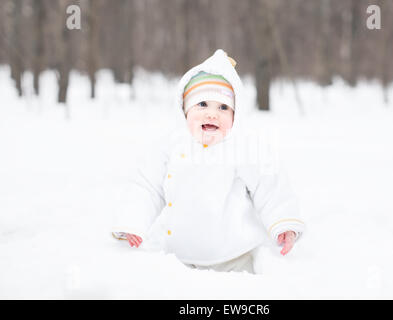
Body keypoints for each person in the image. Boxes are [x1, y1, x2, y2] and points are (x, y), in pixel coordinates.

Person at [112, 49, 305, 274]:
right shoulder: (171, 146)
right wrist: (132, 223)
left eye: (223, 107)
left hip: (234, 257)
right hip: (179, 258)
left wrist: (284, 224)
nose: (212, 114)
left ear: (236, 114)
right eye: (202, 104)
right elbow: (147, 187)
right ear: (184, 110)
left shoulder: (244, 148)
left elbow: (271, 187)